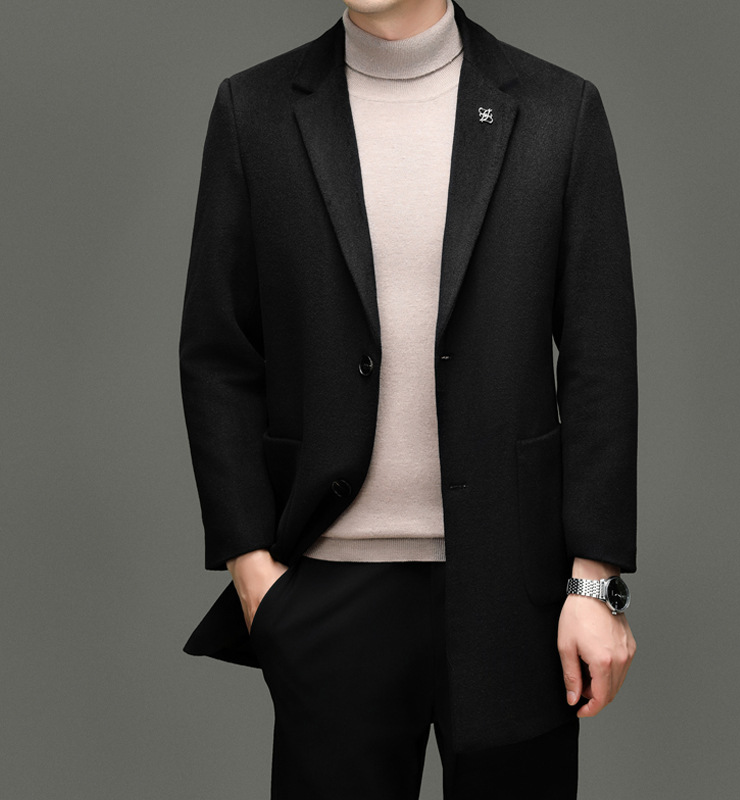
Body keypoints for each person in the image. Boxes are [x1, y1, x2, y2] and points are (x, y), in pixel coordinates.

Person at [179, 1, 638, 797]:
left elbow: (599, 362)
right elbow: (218, 356)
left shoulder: (558, 110)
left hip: (515, 594)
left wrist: (593, 583)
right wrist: (253, 574)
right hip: (327, 588)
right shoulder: (254, 110)